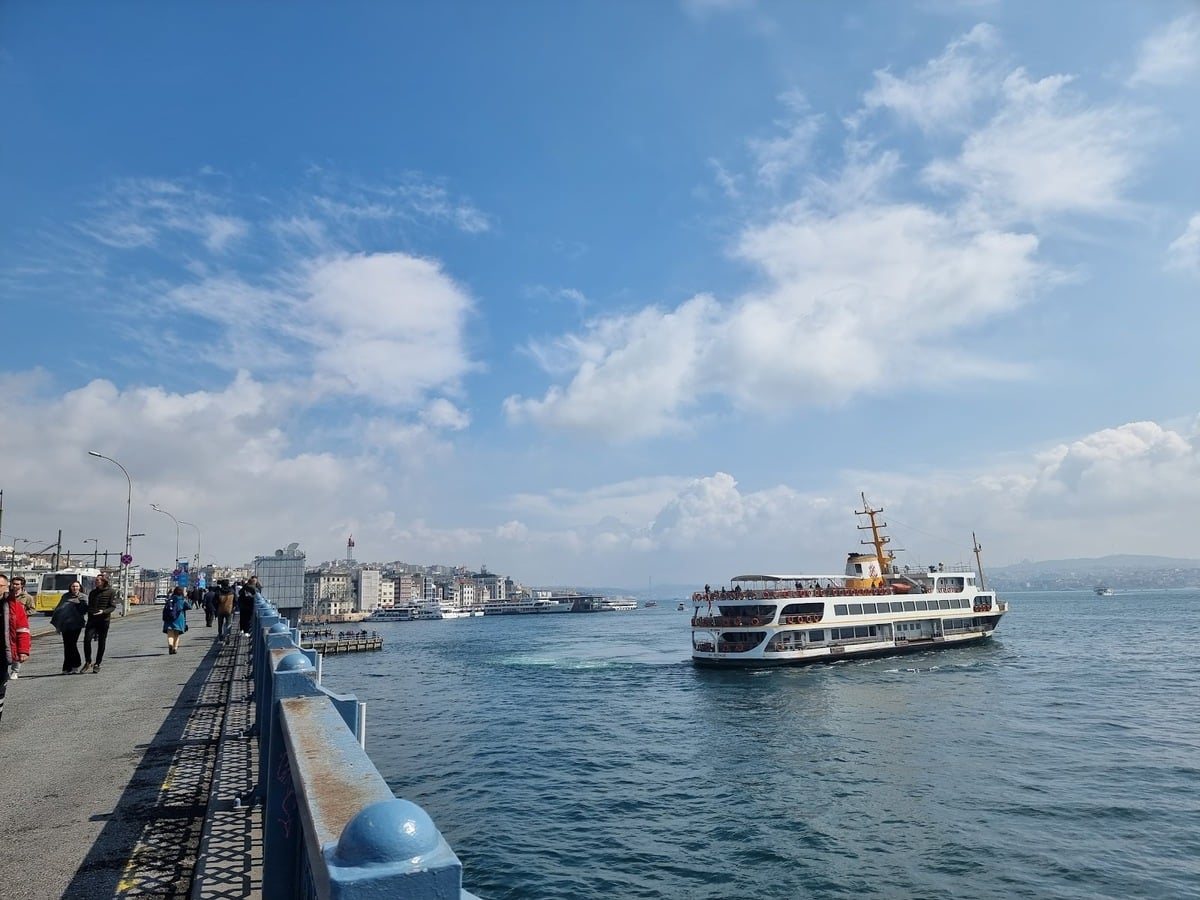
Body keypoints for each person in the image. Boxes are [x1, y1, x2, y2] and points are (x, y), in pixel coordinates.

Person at [1, 574, 32, 724]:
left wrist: (23, 650)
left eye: (0, 585)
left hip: (3, 651)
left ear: (6, 588)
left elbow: (23, 630)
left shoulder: (15, 606)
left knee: (0, 683)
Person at [50, 580, 88, 673]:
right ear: (70, 588)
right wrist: (58, 625)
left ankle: (75, 664)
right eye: (73, 586)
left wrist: (78, 603)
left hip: (76, 624)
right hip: (65, 624)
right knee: (67, 645)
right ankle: (67, 667)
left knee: (72, 644)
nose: (75, 588)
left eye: (76, 586)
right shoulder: (65, 596)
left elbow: (85, 610)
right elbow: (59, 610)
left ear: (80, 587)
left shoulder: (83, 597)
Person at [82, 573, 118, 674]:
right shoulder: (93, 592)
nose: (96, 582)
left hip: (104, 620)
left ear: (103, 581)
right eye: (96, 580)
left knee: (101, 642)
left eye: (98, 580)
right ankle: (88, 661)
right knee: (87, 640)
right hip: (92, 620)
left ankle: (97, 663)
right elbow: (89, 605)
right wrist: (90, 610)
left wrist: (104, 611)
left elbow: (112, 606)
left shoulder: (111, 592)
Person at [162, 585, 192, 655]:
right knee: (176, 634)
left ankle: (170, 644)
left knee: (170, 634)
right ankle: (175, 648)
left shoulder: (170, 599)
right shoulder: (182, 600)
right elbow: (189, 607)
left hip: (169, 618)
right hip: (179, 618)